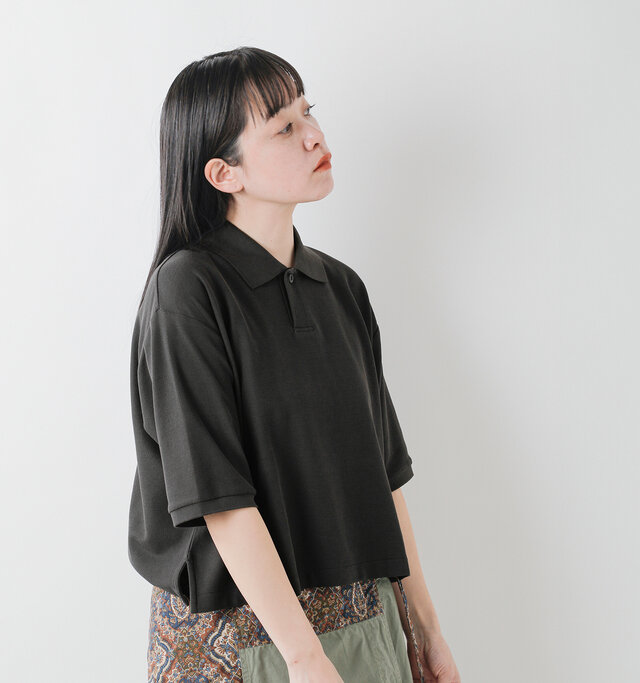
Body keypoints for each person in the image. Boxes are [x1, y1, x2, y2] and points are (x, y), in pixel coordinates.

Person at [127, 46, 461, 683]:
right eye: (283, 127)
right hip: (241, 636)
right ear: (224, 173)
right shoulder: (189, 290)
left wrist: (428, 628)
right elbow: (219, 499)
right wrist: (304, 657)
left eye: (309, 112)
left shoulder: (340, 287)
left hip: (368, 619)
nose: (314, 136)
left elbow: (384, 478)